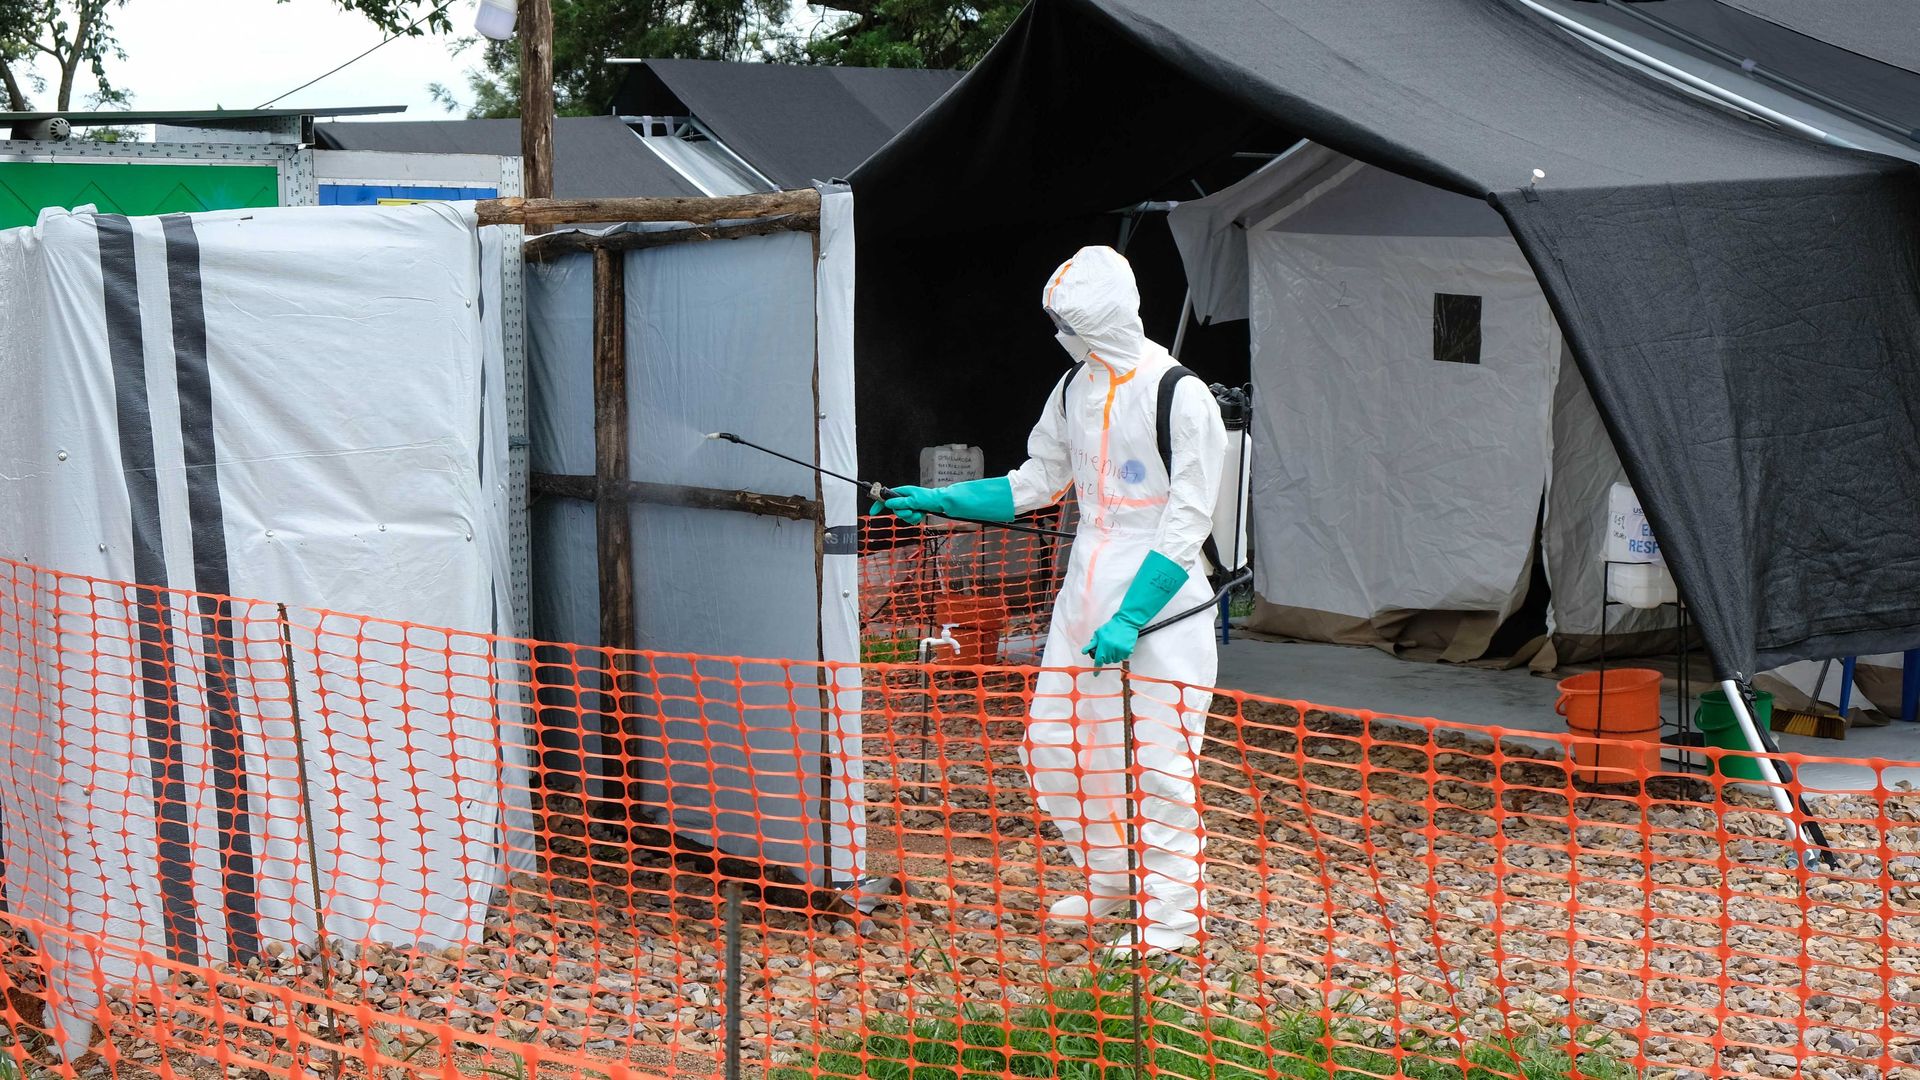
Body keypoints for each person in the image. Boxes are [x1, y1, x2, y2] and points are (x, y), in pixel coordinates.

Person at [873, 246, 1226, 959]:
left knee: (1160, 762)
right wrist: (945, 501)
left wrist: (1134, 616)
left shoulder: (1179, 394)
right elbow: (1037, 480)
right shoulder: (1073, 388)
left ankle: (1174, 916)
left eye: (1071, 322)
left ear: (1104, 318)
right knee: (1058, 747)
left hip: (1163, 592)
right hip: (1086, 580)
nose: (1061, 334)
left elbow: (1190, 520)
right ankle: (1110, 881)